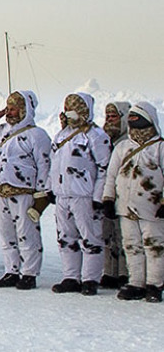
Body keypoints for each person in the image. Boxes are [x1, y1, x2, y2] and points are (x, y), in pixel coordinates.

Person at [0, 90, 51, 290]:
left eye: (13, 108)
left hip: (24, 191)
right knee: (6, 233)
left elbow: (44, 165)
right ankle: (11, 270)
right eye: (8, 108)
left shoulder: (37, 135)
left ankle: (29, 273)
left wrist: (42, 194)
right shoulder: (1, 131)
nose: (9, 112)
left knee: (27, 234)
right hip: (2, 191)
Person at [48, 93, 111, 296]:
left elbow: (104, 168)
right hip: (63, 195)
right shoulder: (60, 136)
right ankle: (71, 276)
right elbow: (54, 164)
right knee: (66, 237)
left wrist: (99, 197)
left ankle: (90, 278)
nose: (70, 114)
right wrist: (51, 188)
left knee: (90, 237)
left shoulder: (96, 136)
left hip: (85, 195)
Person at [102, 101, 164, 303]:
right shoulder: (123, 147)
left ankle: (155, 284)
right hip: (125, 207)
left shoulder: (159, 147)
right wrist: (108, 199)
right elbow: (111, 176)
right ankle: (136, 282)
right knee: (131, 245)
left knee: (154, 246)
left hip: (152, 207)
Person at [100, 101, 131, 289]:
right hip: (107, 195)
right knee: (108, 235)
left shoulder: (128, 143)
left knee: (125, 237)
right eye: (107, 117)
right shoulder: (104, 140)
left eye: (114, 117)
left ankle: (125, 273)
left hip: (127, 196)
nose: (110, 121)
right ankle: (110, 271)